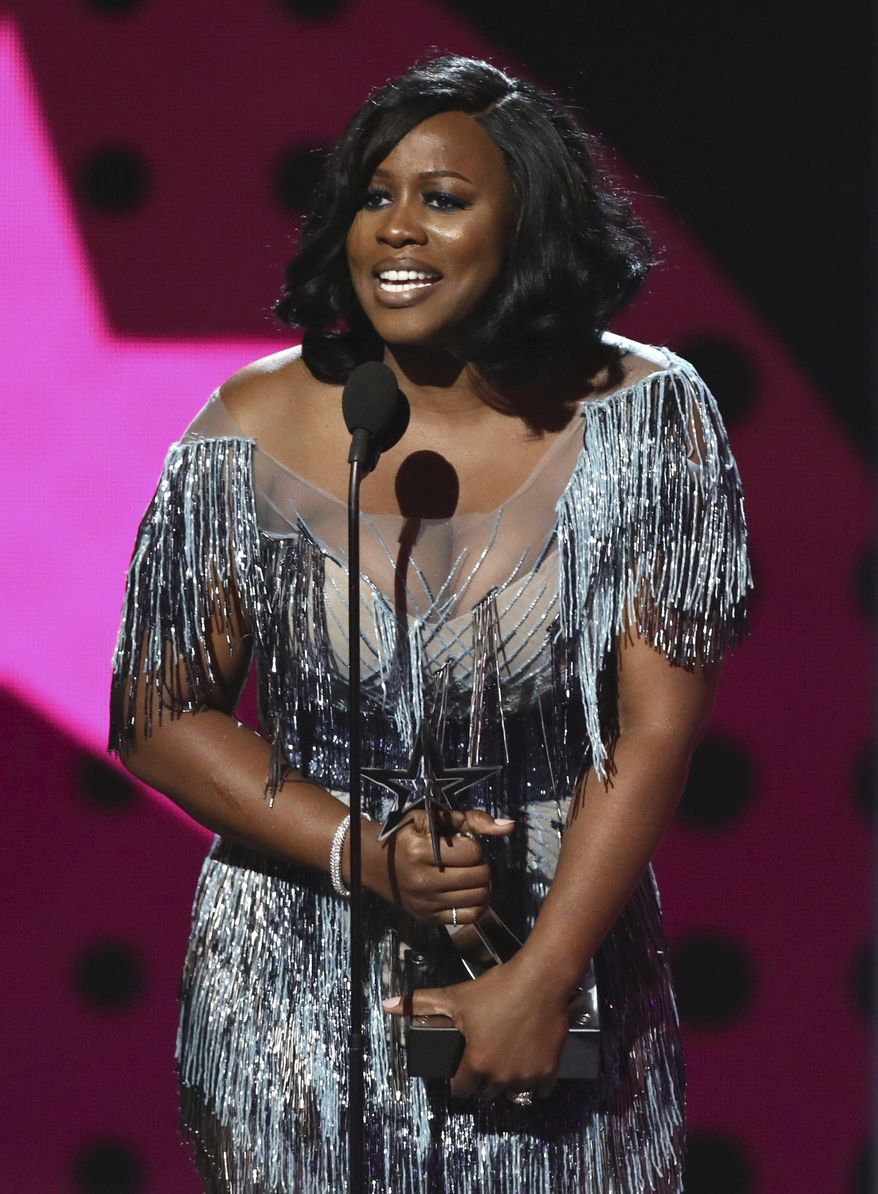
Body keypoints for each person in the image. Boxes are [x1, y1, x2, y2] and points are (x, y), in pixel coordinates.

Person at [110, 54, 751, 1193]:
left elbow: (653, 727)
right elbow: (158, 715)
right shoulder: (247, 427)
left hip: (556, 951)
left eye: (442, 200)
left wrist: (542, 979)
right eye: (373, 195)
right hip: (294, 976)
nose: (395, 230)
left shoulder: (647, 418)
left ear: (527, 224)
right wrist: (359, 850)